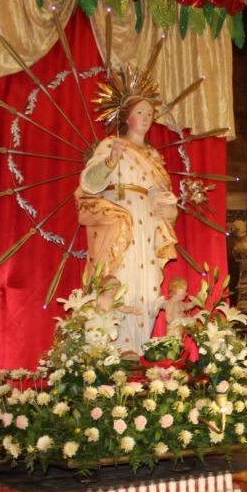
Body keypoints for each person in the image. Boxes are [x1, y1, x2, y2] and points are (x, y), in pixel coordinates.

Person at [76, 97, 179, 355]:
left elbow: (165, 196)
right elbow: (89, 183)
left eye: (150, 114)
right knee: (120, 276)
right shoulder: (111, 144)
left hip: (148, 224)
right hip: (119, 220)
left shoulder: (153, 156)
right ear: (126, 117)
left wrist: (170, 211)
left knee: (148, 282)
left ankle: (140, 347)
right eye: (140, 112)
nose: (145, 118)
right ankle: (118, 346)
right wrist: (110, 161)